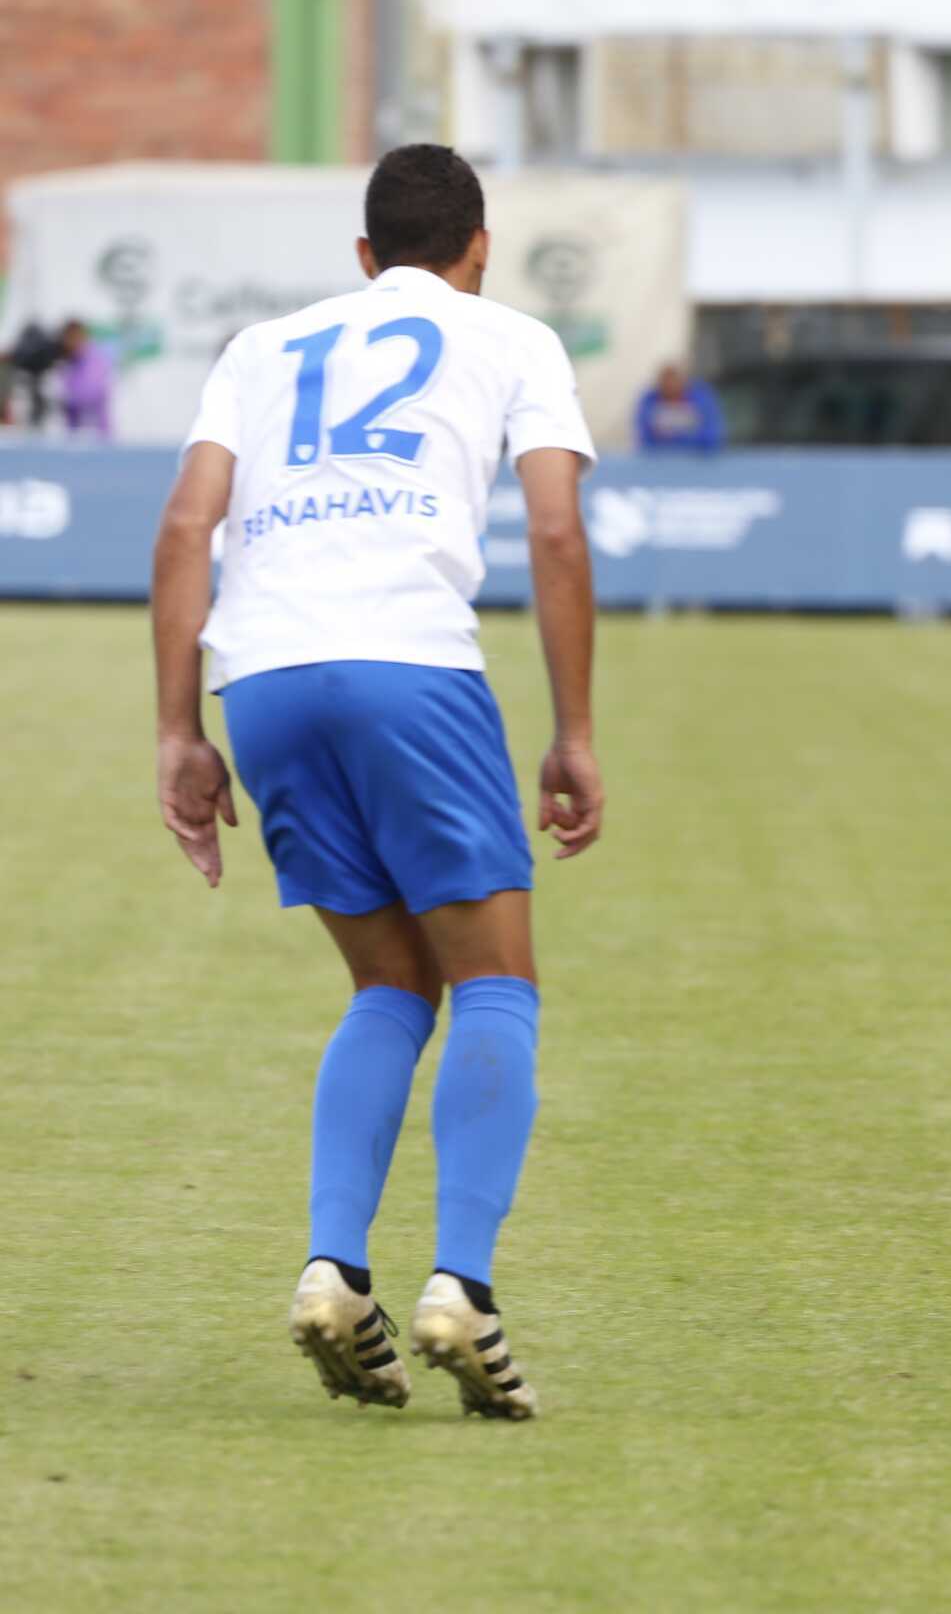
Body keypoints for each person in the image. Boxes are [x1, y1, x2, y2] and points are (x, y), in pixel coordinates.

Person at [149, 144, 605, 1417]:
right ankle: (463, 1288)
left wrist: (179, 732)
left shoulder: (261, 347)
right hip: (410, 665)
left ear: (364, 254)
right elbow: (556, 528)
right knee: (496, 984)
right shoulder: (512, 338)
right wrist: (573, 730)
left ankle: (333, 1271)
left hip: (265, 680)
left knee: (391, 984)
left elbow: (186, 527)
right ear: (479, 250)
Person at [634, 360, 724, 452]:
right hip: (661, 457)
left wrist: (677, 436)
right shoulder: (649, 401)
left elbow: (712, 435)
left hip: (697, 456)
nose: (670, 386)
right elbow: (645, 437)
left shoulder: (702, 398)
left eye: (674, 381)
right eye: (666, 383)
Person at [58, 318, 115, 437]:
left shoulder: (94, 358)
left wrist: (64, 398)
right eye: (68, 338)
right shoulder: (68, 361)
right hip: (74, 432)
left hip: (97, 433)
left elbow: (92, 392)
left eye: (74, 337)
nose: (70, 342)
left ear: (82, 336)